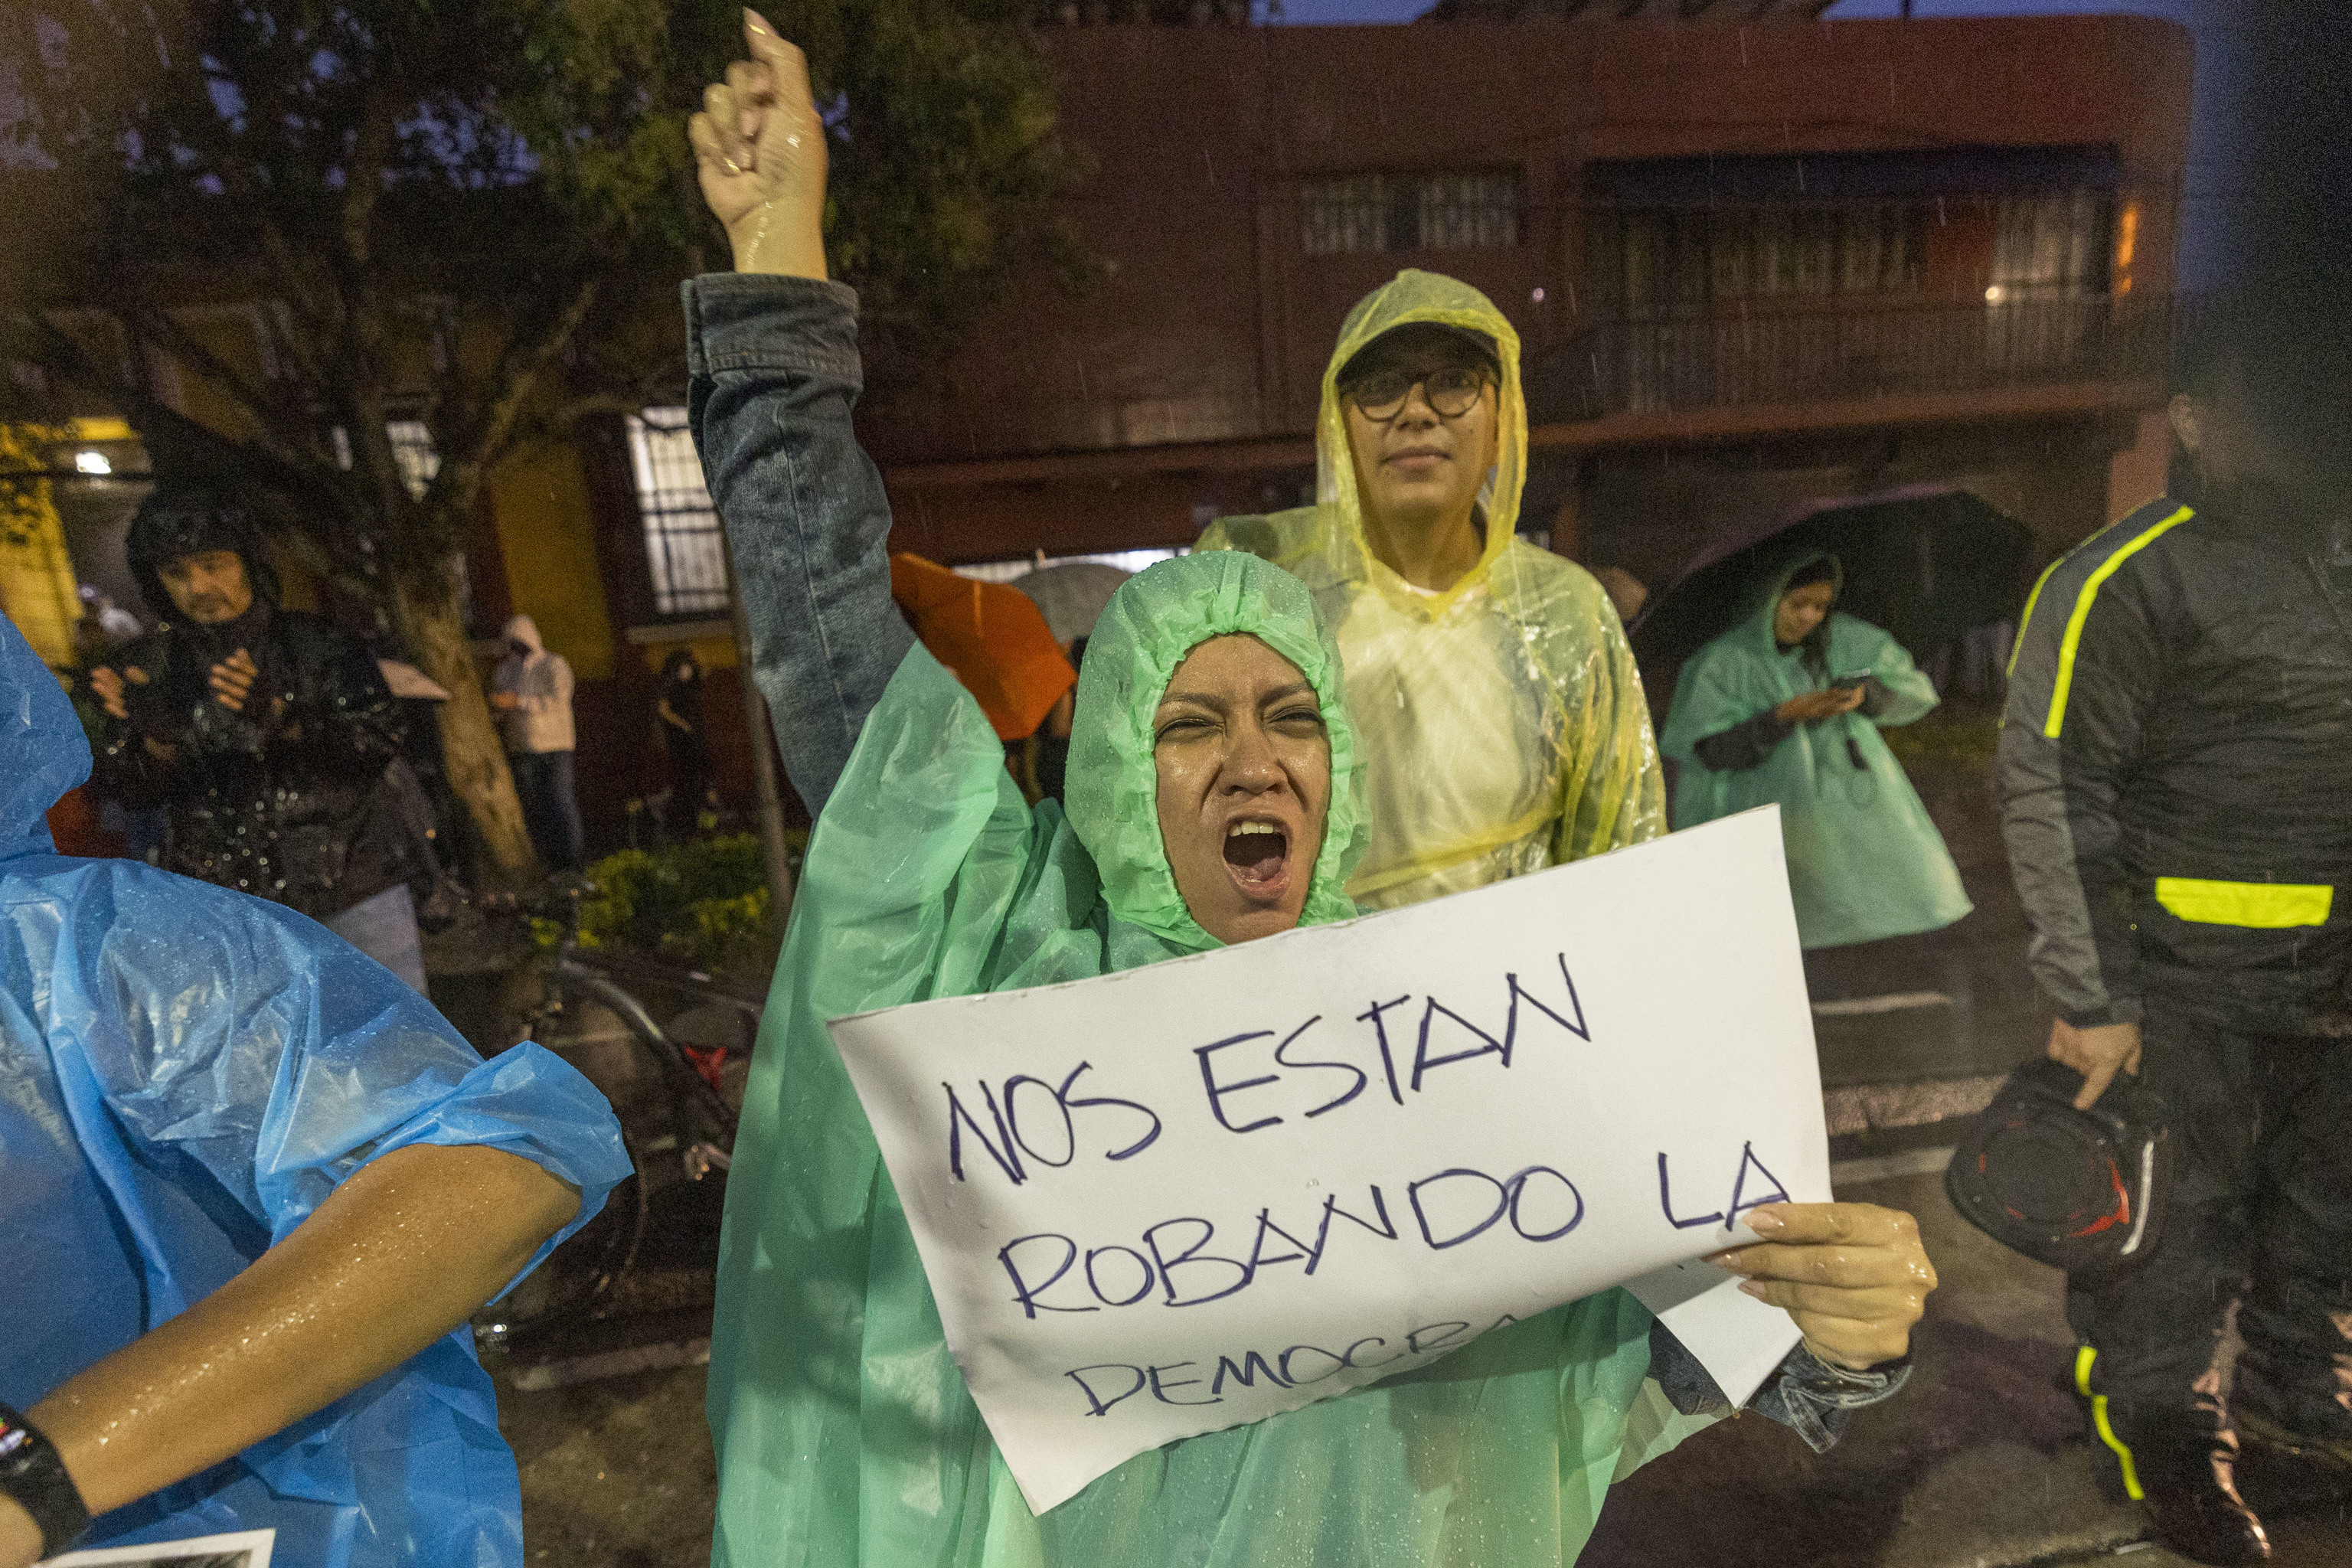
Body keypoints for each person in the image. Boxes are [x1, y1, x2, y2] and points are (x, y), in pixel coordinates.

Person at [686, 19, 1935, 1566]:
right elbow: (833, 650)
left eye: (1292, 715)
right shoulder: (1020, 976)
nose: (1255, 755)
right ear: (1112, 764)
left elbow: (1635, 1350)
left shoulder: (1457, 1080)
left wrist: (1836, 1330)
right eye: (1187, 723)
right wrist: (778, 270)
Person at [0, 612, 632, 1568]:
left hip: (325, 899)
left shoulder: (80, 955)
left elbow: (494, 1158)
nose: (200, 588)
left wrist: (35, 1475)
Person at [1998, 311, 2352, 1565]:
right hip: (2184, 990)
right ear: (2193, 415)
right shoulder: (2126, 575)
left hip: (2337, 996)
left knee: (2328, 1221)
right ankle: (2160, 1425)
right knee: (2167, 1229)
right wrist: (2091, 991)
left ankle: (2304, 1404)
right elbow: (2053, 780)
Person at [1197, 270, 1660, 911]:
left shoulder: (1563, 611)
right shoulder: (1257, 587)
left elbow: (1620, 850)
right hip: (1314, 1000)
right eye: (1381, 388)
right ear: (1339, 426)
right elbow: (1180, 834)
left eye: (1454, 384)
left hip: (1516, 996)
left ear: (1502, 418)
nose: (1416, 412)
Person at [85, 487, 433, 988]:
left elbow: (379, 741)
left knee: (393, 1049)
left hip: (352, 892)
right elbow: (129, 793)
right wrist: (159, 738)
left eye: (214, 564)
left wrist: (284, 715)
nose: (199, 587)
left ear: (248, 561)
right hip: (224, 910)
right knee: (261, 1061)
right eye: (177, 573)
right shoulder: (149, 668)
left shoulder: (318, 645)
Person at [1659, 552, 1971, 950]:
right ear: (1769, 600)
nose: (1808, 617)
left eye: (1820, 606)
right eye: (1797, 605)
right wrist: (1783, 716)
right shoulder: (1724, 662)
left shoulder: (1841, 644)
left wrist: (1864, 694)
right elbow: (1709, 751)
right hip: (1762, 810)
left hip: (1839, 802)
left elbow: (1910, 690)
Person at [492, 612, 584, 872]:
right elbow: (501, 705)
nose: (516, 649)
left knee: (561, 800)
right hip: (523, 748)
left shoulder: (554, 665)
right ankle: (549, 862)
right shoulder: (506, 671)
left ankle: (573, 863)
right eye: (512, 644)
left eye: (520, 642)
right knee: (535, 806)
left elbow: (558, 700)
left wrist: (518, 702)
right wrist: (498, 707)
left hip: (556, 746)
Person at [657, 647, 717, 834]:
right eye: (684, 666)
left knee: (702, 773)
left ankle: (705, 820)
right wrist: (681, 724)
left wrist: (698, 656)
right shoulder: (670, 685)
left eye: (689, 666)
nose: (687, 670)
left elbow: (706, 671)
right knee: (686, 778)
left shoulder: (692, 684)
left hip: (696, 736)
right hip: (680, 740)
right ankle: (686, 823)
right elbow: (663, 709)